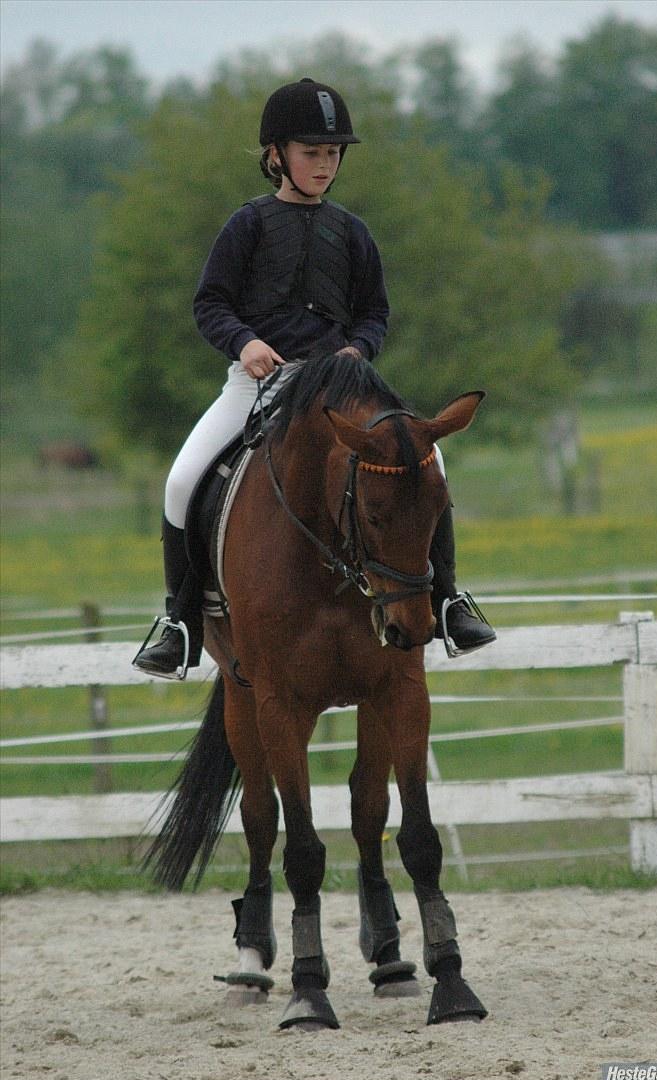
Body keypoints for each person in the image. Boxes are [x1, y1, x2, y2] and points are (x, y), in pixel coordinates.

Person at [133, 77, 495, 680]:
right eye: (312, 152)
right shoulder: (246, 225)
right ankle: (181, 624)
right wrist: (244, 342)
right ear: (277, 156)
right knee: (180, 482)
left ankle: (450, 600)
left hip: (341, 389)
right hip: (259, 383)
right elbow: (210, 304)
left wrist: (360, 348)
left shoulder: (352, 231)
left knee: (430, 467)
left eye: (332, 153)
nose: (324, 164)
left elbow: (375, 311)